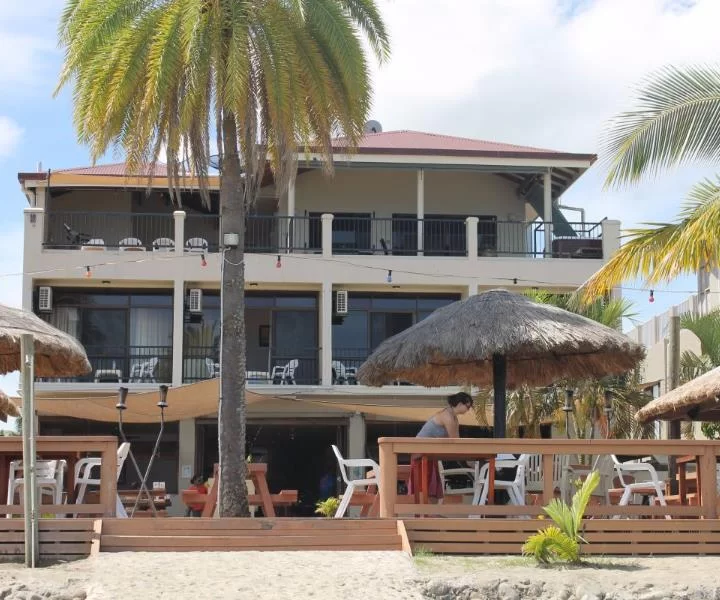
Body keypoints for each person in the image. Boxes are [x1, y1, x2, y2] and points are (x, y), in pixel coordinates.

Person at [408, 392, 474, 500]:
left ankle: (428, 510)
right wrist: (468, 460)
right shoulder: (447, 416)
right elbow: (455, 442)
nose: (468, 409)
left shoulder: (453, 417)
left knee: (431, 489)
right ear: (460, 404)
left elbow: (457, 441)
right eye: (468, 406)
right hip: (421, 453)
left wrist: (467, 459)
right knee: (423, 488)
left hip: (429, 454)